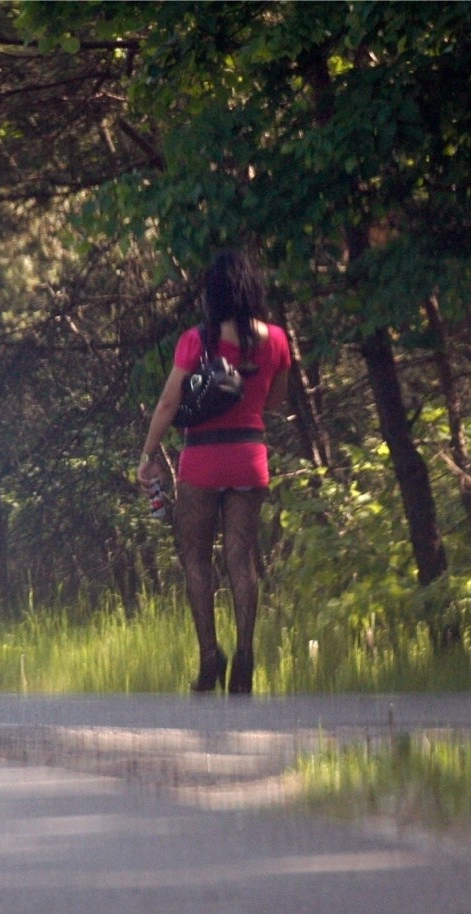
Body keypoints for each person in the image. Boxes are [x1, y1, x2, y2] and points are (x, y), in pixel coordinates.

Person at [137, 250, 292, 695]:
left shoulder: (197, 339)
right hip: (249, 456)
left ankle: (211, 658)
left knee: (197, 560)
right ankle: (245, 655)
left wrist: (148, 455)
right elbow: (275, 401)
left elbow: (168, 403)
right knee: (241, 559)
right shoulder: (277, 340)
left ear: (213, 293)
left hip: (203, 459)